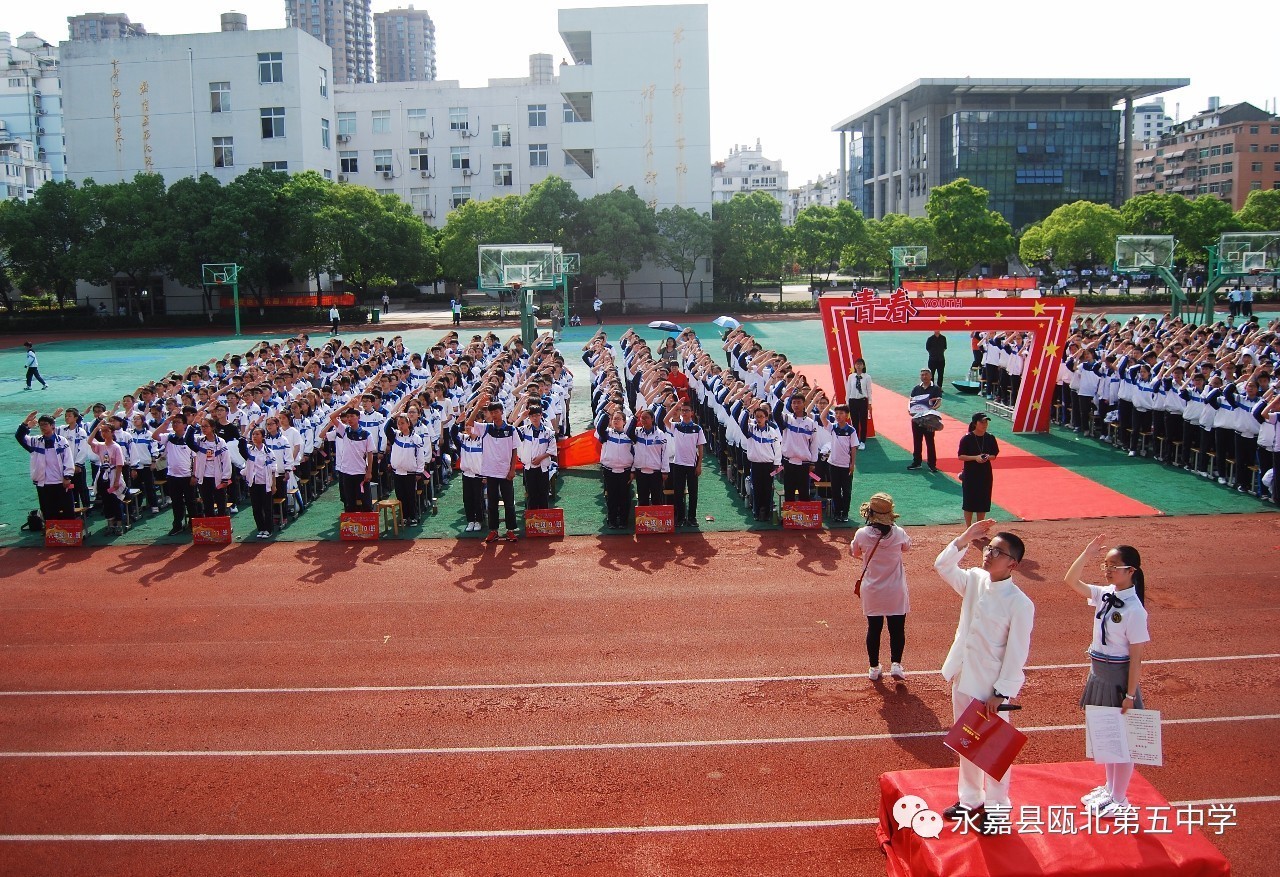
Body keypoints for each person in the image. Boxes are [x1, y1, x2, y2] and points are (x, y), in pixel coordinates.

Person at [934, 518, 1034, 829]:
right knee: (967, 742)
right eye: (989, 548)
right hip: (963, 676)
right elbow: (942, 566)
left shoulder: (1020, 604)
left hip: (990, 687)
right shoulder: (975, 579)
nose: (988, 554)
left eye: (998, 552)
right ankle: (969, 799)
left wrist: (1002, 691)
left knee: (994, 749)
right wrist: (964, 539)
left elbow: (1017, 652)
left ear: (1013, 564)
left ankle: (998, 807)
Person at [1065, 536, 1150, 819]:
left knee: (1122, 740)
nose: (1108, 570)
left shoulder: (1135, 611)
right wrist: (1087, 553)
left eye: (1115, 566)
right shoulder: (1104, 594)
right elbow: (1071, 580)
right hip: (1098, 672)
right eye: (1106, 565)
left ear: (1131, 572)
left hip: (1117, 675)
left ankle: (1120, 799)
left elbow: (1135, 658)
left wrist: (1129, 694)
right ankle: (1109, 788)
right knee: (1106, 736)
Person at [850, 493, 911, 680]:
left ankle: (874, 668)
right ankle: (896, 665)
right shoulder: (899, 533)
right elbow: (907, 547)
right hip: (896, 590)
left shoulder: (862, 534)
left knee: (874, 628)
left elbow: (854, 552)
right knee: (897, 629)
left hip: (873, 589)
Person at [470, 399, 519, 543]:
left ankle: (510, 531)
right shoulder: (485, 428)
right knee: (492, 504)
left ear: (502, 412)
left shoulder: (511, 429)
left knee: (509, 502)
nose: (494, 414)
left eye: (496, 412)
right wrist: (478, 406)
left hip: (505, 473)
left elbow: (515, 450)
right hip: (490, 472)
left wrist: (512, 470)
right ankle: (494, 531)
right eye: (492, 412)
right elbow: (469, 423)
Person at [16, 412, 75, 524]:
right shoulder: (35, 441)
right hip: (43, 483)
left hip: (60, 482)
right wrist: (25, 423)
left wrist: (67, 476)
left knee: (68, 510)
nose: (42, 427)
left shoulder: (61, 441)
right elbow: (19, 437)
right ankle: (53, 537)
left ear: (53, 425)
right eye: (40, 425)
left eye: (45, 424)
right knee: (48, 512)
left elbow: (68, 459)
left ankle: (69, 538)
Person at [325, 403, 374, 512]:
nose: (349, 419)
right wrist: (346, 406)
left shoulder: (366, 434)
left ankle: (367, 525)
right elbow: (332, 417)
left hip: (361, 471)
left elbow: (370, 454)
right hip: (346, 472)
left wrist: (369, 471)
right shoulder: (344, 430)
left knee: (366, 502)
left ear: (358, 417)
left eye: (352, 416)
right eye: (348, 417)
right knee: (349, 502)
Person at [665, 402, 706, 527]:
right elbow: (665, 419)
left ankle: (692, 518)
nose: (684, 412)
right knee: (678, 492)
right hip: (678, 464)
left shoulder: (697, 428)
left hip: (692, 464)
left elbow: (700, 448)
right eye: (682, 410)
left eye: (687, 410)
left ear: (692, 413)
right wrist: (676, 405)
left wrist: (699, 465)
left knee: (693, 492)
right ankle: (681, 518)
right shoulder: (676, 426)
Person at [958, 413, 1000, 526]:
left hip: (985, 473)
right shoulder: (967, 438)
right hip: (970, 473)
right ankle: (968, 528)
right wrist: (975, 458)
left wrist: (986, 457)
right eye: (982, 422)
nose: (984, 424)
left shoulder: (990, 438)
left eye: (986, 422)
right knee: (969, 501)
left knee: (983, 501)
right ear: (975, 423)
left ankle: (980, 527)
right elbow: (961, 456)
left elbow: (994, 455)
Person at [239, 426, 280, 539]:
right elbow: (241, 447)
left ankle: (268, 529)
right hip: (254, 484)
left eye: (257, 434)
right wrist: (247, 430)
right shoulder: (249, 450)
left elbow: (273, 470)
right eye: (253, 434)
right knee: (256, 508)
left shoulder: (268, 452)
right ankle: (261, 529)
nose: (255, 436)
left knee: (267, 508)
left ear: (263, 437)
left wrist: (274, 485)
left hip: (266, 484)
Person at [596, 407, 634, 529]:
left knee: (624, 497)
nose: (616, 421)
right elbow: (600, 427)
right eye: (614, 419)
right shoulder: (606, 434)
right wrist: (607, 413)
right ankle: (612, 520)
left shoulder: (629, 436)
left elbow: (636, 453)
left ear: (624, 421)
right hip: (609, 471)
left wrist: (633, 471)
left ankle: (623, 521)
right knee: (611, 497)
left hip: (625, 472)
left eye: (619, 419)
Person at [88, 419, 128, 533]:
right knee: (106, 501)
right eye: (102, 431)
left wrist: (116, 481)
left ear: (112, 433)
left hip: (113, 474)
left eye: (106, 431)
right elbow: (89, 441)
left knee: (115, 500)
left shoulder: (116, 447)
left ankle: (119, 523)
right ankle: (110, 523)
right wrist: (96, 428)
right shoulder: (101, 445)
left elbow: (119, 465)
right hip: (103, 475)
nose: (104, 433)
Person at [388, 413, 429, 526]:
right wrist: (393, 416)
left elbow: (420, 457)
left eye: (402, 423)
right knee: (400, 496)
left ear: (408, 424)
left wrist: (419, 472)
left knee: (411, 496)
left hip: (411, 473)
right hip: (397, 472)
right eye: (398, 423)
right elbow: (386, 428)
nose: (400, 426)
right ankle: (404, 517)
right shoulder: (396, 435)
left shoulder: (416, 438)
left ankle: (413, 517)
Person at [822, 403, 858, 522]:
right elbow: (823, 417)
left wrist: (852, 464)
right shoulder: (833, 427)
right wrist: (830, 405)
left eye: (841, 413)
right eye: (836, 413)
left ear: (847, 416)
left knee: (846, 491)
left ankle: (845, 513)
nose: (838, 416)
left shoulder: (851, 430)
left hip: (846, 466)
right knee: (836, 490)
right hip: (833, 464)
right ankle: (837, 512)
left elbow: (853, 448)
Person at [629, 408, 670, 507]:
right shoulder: (637, 432)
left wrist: (665, 471)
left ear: (652, 419)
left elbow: (664, 453)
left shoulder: (660, 434)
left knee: (657, 499)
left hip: (655, 473)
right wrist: (634, 418)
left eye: (646, 418)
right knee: (643, 499)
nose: (643, 420)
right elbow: (628, 432)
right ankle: (644, 521)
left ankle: (657, 522)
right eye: (642, 418)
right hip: (641, 472)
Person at [907, 368, 942, 473]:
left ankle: (932, 465)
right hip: (917, 419)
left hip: (929, 419)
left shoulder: (935, 388)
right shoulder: (916, 388)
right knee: (917, 441)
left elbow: (939, 402)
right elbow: (911, 401)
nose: (924, 377)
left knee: (930, 442)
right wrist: (909, 410)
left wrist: (932, 410)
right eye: (922, 375)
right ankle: (917, 462)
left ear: (931, 376)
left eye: (926, 374)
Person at [844, 358, 871, 450]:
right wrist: (847, 402)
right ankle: (855, 441)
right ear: (854, 366)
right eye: (857, 364)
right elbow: (848, 390)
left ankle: (862, 441)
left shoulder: (867, 377)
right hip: (853, 401)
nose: (858, 366)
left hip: (862, 401)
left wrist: (870, 403)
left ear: (863, 366)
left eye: (860, 364)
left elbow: (869, 391)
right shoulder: (851, 376)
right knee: (854, 422)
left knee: (863, 422)